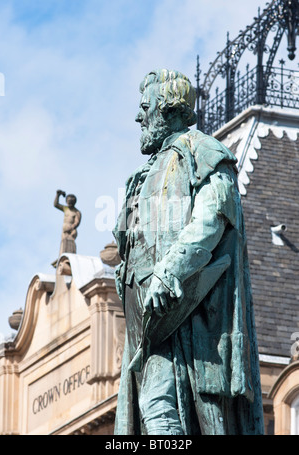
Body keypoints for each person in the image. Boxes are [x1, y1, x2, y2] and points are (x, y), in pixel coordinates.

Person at [113, 69, 264, 435]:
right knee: (155, 409)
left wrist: (170, 271)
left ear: (168, 110)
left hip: (188, 312)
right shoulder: (143, 172)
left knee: (163, 409)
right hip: (149, 323)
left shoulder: (206, 153)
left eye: (145, 107)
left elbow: (212, 219)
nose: (138, 117)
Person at [54, 190, 81, 256]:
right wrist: (58, 195)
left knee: (69, 243)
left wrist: (71, 227)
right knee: (63, 243)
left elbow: (77, 222)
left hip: (71, 230)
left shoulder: (77, 212)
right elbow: (56, 204)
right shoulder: (65, 208)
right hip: (64, 230)